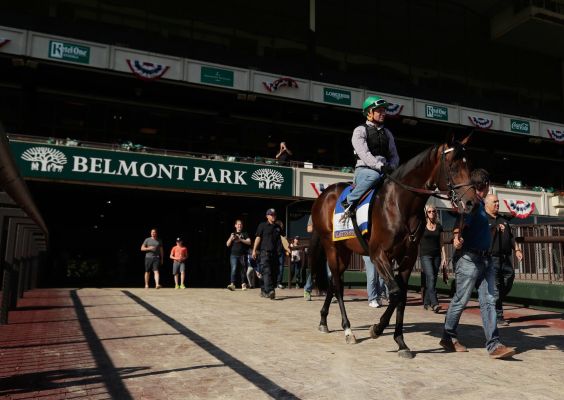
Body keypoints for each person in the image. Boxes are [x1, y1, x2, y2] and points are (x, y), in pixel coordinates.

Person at [440, 169, 516, 359]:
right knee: (461, 300)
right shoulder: (473, 206)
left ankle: (494, 345)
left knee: (489, 300)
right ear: (486, 185)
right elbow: (459, 224)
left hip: (486, 259)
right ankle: (448, 335)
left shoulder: (482, 205)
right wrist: (456, 238)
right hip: (469, 260)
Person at [341, 95, 400, 217]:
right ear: (369, 112)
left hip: (384, 172)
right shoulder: (359, 130)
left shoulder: (388, 133)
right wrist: (380, 166)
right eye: (379, 111)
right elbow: (364, 154)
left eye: (384, 111)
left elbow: (394, 155)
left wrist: (393, 166)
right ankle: (348, 201)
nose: (383, 113)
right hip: (364, 172)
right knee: (374, 176)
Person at [485, 194, 523, 326]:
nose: (497, 204)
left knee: (510, 277)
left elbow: (511, 237)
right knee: (496, 287)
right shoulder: (483, 219)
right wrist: (494, 229)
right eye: (494, 202)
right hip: (491, 258)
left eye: (497, 202)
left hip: (506, 258)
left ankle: (493, 302)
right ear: (487, 204)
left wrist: (517, 249)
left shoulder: (503, 219)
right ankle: (498, 316)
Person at [419, 205, 447, 313]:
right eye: (429, 211)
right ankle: (435, 303)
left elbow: (442, 243)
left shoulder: (439, 226)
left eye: (434, 211)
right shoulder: (422, 226)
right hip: (425, 255)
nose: (432, 213)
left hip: (437, 256)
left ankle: (426, 302)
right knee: (430, 277)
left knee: (433, 279)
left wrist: (444, 257)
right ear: (426, 213)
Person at [252, 208, 283, 299]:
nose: (273, 216)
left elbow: (282, 239)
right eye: (271, 215)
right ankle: (270, 290)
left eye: (274, 215)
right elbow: (258, 238)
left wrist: (286, 249)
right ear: (267, 216)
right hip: (264, 252)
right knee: (267, 271)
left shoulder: (278, 227)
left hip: (275, 254)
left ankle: (264, 291)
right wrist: (254, 250)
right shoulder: (262, 225)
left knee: (273, 273)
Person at [226, 219, 252, 291]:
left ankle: (243, 284)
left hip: (242, 255)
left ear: (242, 226)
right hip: (233, 255)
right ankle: (232, 284)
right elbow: (227, 244)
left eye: (240, 224)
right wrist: (231, 238)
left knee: (243, 270)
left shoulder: (245, 233)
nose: (239, 225)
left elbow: (249, 242)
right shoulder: (233, 234)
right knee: (233, 269)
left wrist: (240, 239)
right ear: (235, 225)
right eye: (238, 224)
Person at [275, 219, 290, 289]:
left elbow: (285, 244)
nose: (282, 227)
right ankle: (276, 283)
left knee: (281, 268)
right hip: (275, 252)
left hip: (281, 252)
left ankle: (278, 283)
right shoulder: (275, 232)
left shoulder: (282, 234)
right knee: (275, 267)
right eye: (282, 226)